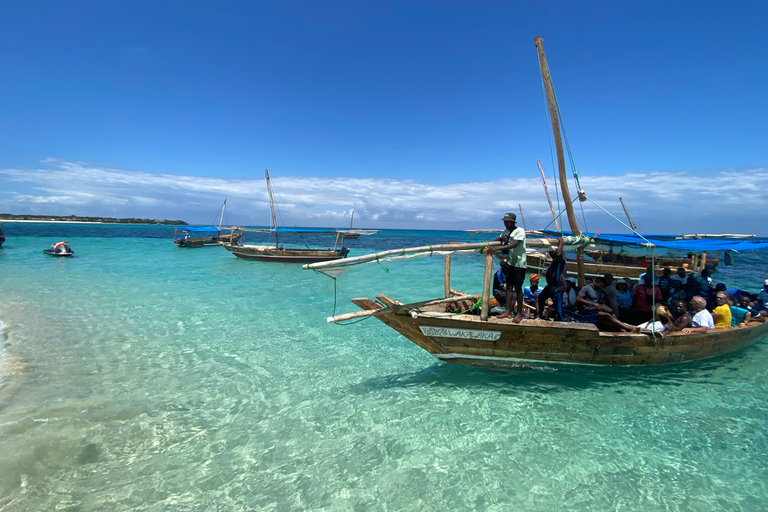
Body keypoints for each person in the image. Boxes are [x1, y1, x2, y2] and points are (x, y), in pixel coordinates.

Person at [487, 212, 526, 322]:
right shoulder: (506, 232)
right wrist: (488, 244)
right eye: (504, 221)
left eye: (507, 221)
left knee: (518, 288)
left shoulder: (519, 231)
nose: (505, 223)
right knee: (509, 287)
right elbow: (499, 239)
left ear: (513, 222)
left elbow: (514, 244)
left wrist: (496, 249)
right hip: (510, 263)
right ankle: (507, 312)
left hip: (519, 264)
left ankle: (519, 314)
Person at [537, 237, 567, 321]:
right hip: (550, 286)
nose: (550, 254)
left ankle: (562, 321)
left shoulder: (561, 259)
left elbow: (559, 254)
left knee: (558, 307)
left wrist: (561, 242)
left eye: (551, 252)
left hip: (558, 287)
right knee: (541, 297)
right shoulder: (554, 261)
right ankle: (540, 316)